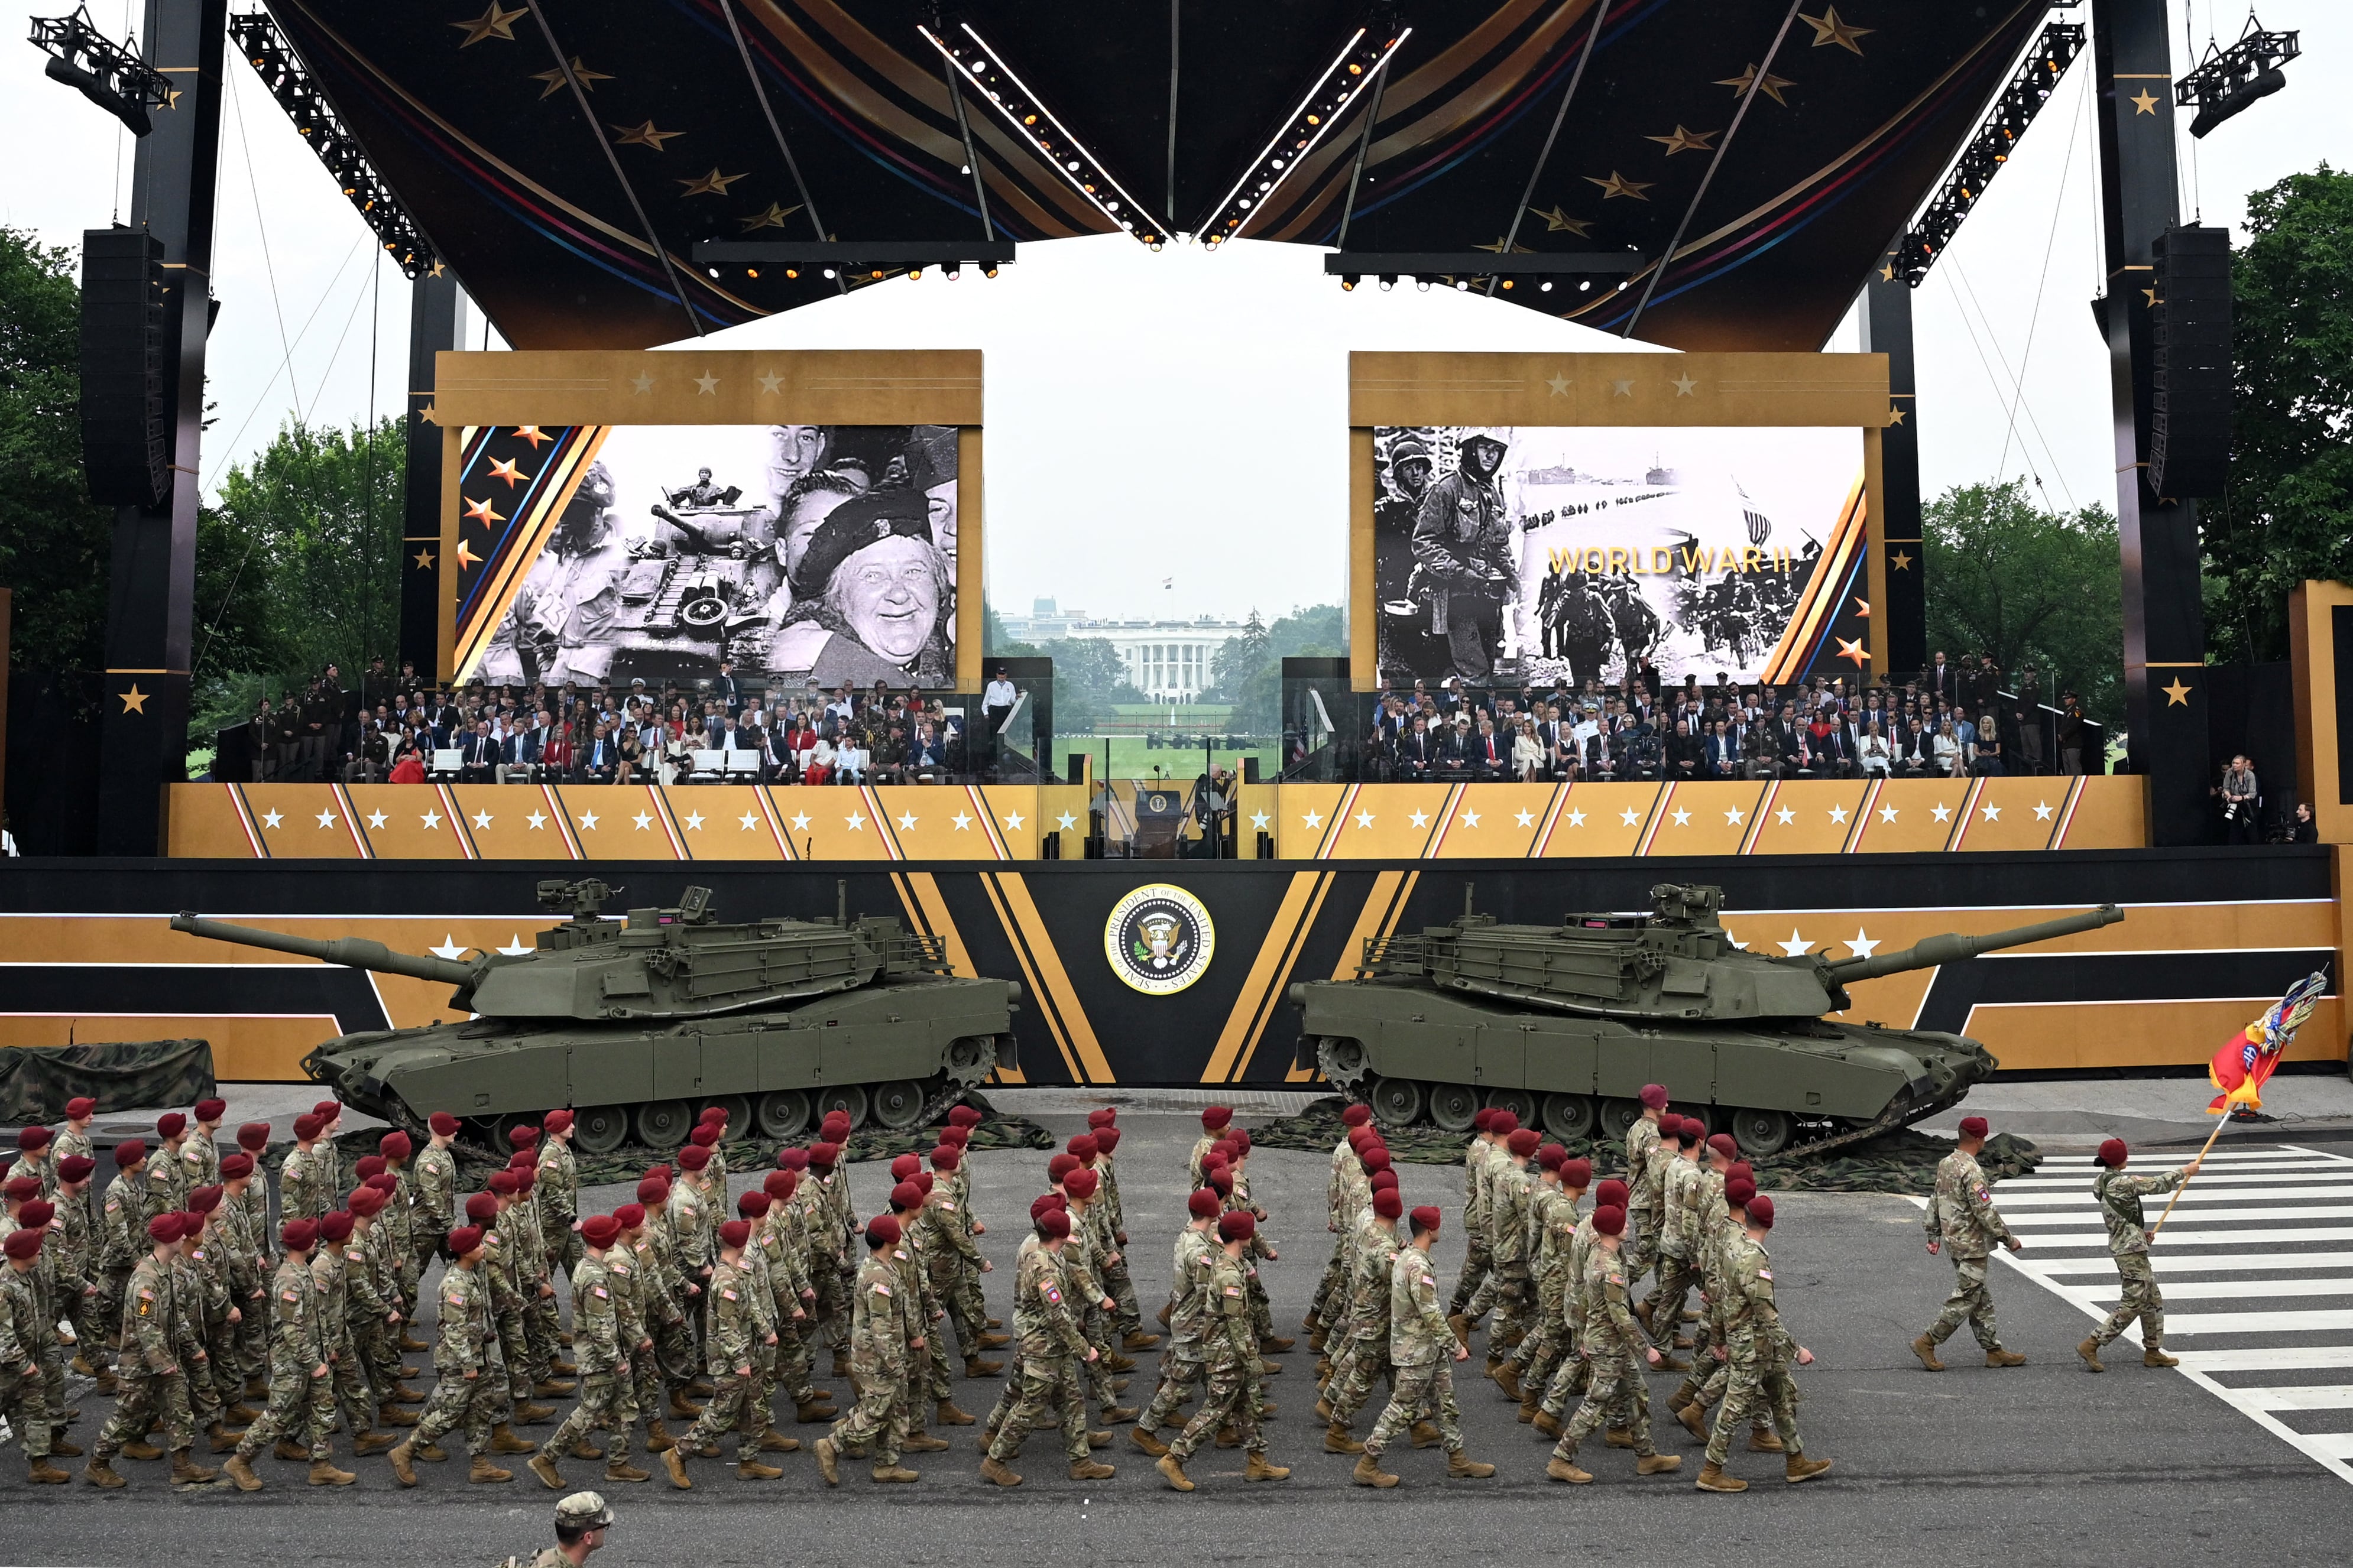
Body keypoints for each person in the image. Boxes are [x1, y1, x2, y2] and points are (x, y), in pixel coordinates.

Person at [1693, 1195, 1829, 1491]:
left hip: (1753, 1345)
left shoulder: (1733, 1247)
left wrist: (1718, 1338)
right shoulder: (1755, 1259)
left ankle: (1796, 1460)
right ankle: (1711, 1471)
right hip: (1753, 1348)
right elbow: (1767, 1314)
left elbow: (1720, 1298)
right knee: (1733, 1408)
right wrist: (1796, 1350)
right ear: (1770, 1223)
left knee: (1781, 1397)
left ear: (1746, 1218)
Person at [1351, 1205, 1492, 1486]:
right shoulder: (1418, 1267)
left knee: (1444, 1403)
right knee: (1401, 1408)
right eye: (1438, 1225)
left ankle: (1458, 1458)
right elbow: (1430, 1313)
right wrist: (1455, 1346)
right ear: (1430, 1230)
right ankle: (1368, 1463)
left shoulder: (1409, 1258)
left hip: (1428, 1350)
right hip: (1416, 1352)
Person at [1544, 1205, 1678, 1484]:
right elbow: (1621, 1316)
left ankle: (1647, 1456)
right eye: (1623, 1224)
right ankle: (1561, 1459)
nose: (1628, 1226)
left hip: (1609, 1343)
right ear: (1612, 1231)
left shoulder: (1599, 1252)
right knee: (1595, 1404)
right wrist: (1647, 1349)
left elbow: (1583, 1299)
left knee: (1636, 1395)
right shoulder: (1610, 1269)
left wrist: (1583, 1336)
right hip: (1609, 1347)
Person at [1156, 1210, 1288, 1490]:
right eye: (1250, 1232)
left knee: (1247, 1409)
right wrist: (1252, 1360)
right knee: (1216, 1412)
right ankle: (1174, 1458)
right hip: (1227, 1355)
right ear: (1242, 1238)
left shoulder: (1232, 1264)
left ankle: (1257, 1461)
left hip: (1231, 1353)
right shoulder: (1229, 1274)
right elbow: (1236, 1324)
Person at [980, 1203, 1106, 1487]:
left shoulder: (1047, 1256)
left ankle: (1081, 1461)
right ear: (1062, 1236)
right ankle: (995, 1460)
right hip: (1043, 1348)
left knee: (1071, 1402)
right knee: (1030, 1408)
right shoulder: (1046, 1267)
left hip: (1053, 1347)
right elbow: (1058, 1316)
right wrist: (1085, 1350)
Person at [813, 1214, 921, 1487]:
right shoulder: (878, 1278)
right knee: (876, 1411)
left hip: (889, 1354)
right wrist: (895, 1363)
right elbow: (881, 1327)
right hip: (879, 1359)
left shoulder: (885, 1266)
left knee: (896, 1412)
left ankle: (887, 1465)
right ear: (890, 1240)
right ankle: (833, 1445)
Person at [1913, 1115, 2026, 1371]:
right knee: (1966, 1296)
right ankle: (1928, 1341)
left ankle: (1994, 1350)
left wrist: (1933, 1234)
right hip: (1972, 1244)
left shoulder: (1946, 1163)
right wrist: (2009, 1239)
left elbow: (1936, 1198)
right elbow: (1985, 1212)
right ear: (1979, 1139)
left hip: (1955, 1241)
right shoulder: (1972, 1171)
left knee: (1980, 1296)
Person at [2077, 1138, 2201, 1372]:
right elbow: (2156, 1185)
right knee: (2133, 1301)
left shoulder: (2101, 1181)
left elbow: (2119, 1215)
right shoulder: (2123, 1183)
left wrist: (2139, 1232)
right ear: (2119, 1159)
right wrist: (2184, 1170)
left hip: (2128, 1243)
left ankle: (2153, 1351)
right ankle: (2092, 1343)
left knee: (2152, 1300)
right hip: (2130, 1250)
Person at [0, 1227, 67, 1483]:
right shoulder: (5, 1288)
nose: (40, 1251)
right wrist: (21, 1362)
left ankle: (40, 1464)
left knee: (35, 1412)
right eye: (35, 1248)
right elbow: (3, 1333)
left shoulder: (26, 1277)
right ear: (24, 1254)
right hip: (8, 1368)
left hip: (26, 1364)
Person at [2217, 755, 2260, 844]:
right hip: (2235, 807)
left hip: (2248, 807)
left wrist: (2241, 798)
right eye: (2233, 763)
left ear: (2243, 765)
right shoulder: (2230, 773)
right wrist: (2229, 797)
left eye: (2237, 763)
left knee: (2251, 833)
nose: (2235, 765)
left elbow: (2253, 793)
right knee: (2234, 833)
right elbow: (2226, 788)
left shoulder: (2251, 776)